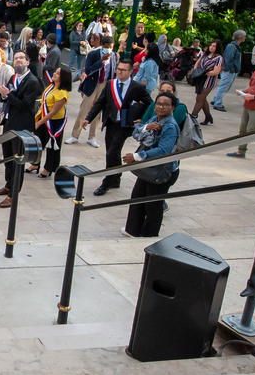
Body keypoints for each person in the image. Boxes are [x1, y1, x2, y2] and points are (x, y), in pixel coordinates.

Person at [82, 58, 153, 196]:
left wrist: (142, 118)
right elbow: (100, 103)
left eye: (123, 70)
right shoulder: (110, 84)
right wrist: (88, 118)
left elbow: (150, 104)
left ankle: (107, 182)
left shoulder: (137, 87)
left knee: (112, 152)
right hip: (111, 122)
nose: (119, 72)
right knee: (112, 151)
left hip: (125, 125)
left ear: (131, 72)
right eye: (118, 69)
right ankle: (116, 178)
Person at [122, 91, 181, 237]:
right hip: (149, 166)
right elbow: (136, 134)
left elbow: (163, 150)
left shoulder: (170, 126)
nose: (161, 107)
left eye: (166, 105)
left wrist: (136, 156)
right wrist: (146, 127)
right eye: (159, 104)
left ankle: (149, 235)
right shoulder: (155, 119)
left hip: (162, 169)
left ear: (173, 107)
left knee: (153, 204)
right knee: (138, 197)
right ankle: (133, 230)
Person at [0, 50, 43, 207]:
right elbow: (5, 96)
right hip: (9, 123)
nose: (18, 61)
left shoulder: (33, 82)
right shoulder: (14, 77)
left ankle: (13, 195)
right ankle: (8, 185)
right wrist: (3, 94)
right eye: (16, 59)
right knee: (7, 157)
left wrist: (8, 96)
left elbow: (25, 105)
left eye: (21, 59)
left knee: (17, 161)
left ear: (27, 62)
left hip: (21, 127)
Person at [31, 67, 71, 178]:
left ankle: (49, 168)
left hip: (54, 123)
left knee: (52, 146)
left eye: (58, 74)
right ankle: (35, 163)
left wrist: (39, 123)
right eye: (55, 72)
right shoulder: (51, 86)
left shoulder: (62, 93)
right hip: (43, 118)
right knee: (38, 142)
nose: (54, 74)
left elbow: (53, 112)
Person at [190, 39, 225, 125]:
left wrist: (203, 72)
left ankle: (192, 117)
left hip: (209, 80)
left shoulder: (219, 58)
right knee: (202, 98)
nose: (211, 48)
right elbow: (197, 63)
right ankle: (208, 116)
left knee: (199, 98)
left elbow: (216, 72)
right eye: (211, 45)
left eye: (214, 46)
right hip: (200, 79)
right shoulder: (204, 54)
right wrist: (196, 71)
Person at [211, 30, 247, 112]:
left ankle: (215, 100)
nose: (245, 38)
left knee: (226, 87)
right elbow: (228, 59)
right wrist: (232, 70)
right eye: (244, 36)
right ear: (241, 37)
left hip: (232, 70)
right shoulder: (232, 46)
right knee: (223, 87)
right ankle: (218, 104)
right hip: (229, 70)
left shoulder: (235, 46)